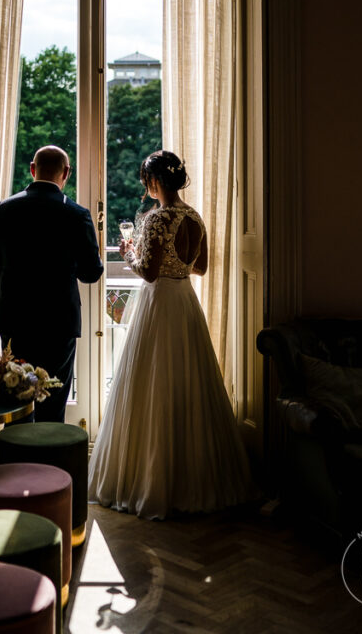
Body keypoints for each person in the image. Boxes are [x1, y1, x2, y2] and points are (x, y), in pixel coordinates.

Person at [88, 149, 255, 519]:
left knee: (151, 385)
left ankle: (152, 480)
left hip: (159, 303)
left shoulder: (157, 218)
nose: (145, 187)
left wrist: (127, 251)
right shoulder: (194, 216)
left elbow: (147, 273)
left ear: (155, 181)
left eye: (146, 180)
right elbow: (202, 268)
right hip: (184, 302)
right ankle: (192, 480)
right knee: (189, 383)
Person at [0, 145, 103, 423]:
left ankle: (16, 463)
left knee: (14, 402)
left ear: (32, 169)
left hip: (15, 319)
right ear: (66, 173)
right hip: (59, 323)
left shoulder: (3, 209)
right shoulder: (77, 214)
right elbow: (91, 272)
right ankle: (50, 464)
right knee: (53, 404)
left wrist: (1, 304)